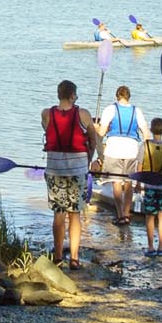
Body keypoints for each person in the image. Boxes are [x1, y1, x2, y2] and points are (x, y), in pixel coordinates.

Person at [39, 79, 100, 265]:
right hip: (77, 170)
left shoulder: (46, 114)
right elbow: (93, 140)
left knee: (59, 213)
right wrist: (89, 160)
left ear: (59, 94)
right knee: (75, 214)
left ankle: (58, 256)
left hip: (54, 169)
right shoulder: (84, 114)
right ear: (73, 95)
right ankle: (74, 258)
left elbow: (47, 130)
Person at [100, 84, 144, 234]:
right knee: (129, 182)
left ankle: (120, 215)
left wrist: (96, 129)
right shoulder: (137, 111)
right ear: (129, 97)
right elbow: (146, 132)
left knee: (116, 181)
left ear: (117, 97)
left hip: (114, 148)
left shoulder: (110, 109)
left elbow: (101, 132)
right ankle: (127, 214)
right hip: (131, 149)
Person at [136, 117, 162, 256]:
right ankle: (161, 247)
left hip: (149, 184)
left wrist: (138, 183)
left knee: (150, 215)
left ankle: (151, 247)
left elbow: (140, 165)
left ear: (151, 130)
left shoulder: (144, 145)